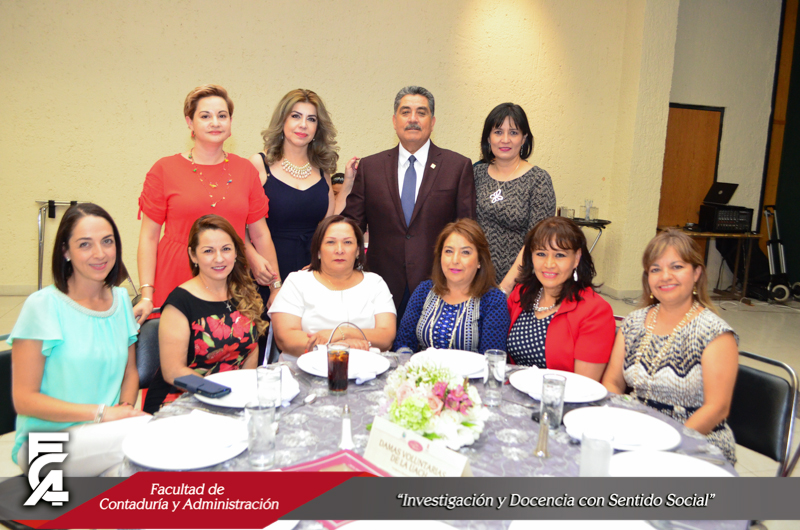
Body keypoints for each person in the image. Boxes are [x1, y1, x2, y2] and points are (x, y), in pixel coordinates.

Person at [9, 203, 148, 476]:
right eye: (85, 244)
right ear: (65, 251)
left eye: (107, 241)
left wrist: (124, 410)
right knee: (149, 435)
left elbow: (129, 372)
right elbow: (25, 400)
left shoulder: (120, 300)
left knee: (137, 480)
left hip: (105, 436)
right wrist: (104, 414)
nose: (100, 253)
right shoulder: (43, 305)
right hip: (45, 446)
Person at [136, 84, 279, 324]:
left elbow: (260, 234)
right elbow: (149, 237)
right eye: (205, 116)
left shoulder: (245, 170)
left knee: (228, 342)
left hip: (230, 277)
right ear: (189, 122)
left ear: (230, 122)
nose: (215, 122)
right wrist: (147, 294)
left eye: (222, 116)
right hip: (176, 273)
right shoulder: (164, 169)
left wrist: (275, 286)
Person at [602, 229, 739, 463]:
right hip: (638, 433)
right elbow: (613, 382)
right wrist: (620, 425)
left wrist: (664, 447)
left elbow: (717, 408)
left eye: (677, 267)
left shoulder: (715, 334)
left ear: (696, 273)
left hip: (696, 442)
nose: (665, 276)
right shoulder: (634, 322)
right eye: (655, 269)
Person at [343, 86, 476, 320]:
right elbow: (351, 226)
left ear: (432, 122)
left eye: (421, 112)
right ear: (394, 121)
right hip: (381, 287)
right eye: (405, 112)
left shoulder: (457, 166)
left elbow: (467, 231)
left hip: (438, 285)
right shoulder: (371, 167)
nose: (413, 119)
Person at [143, 215, 268, 413]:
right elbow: (173, 371)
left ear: (236, 252)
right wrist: (221, 395)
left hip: (231, 400)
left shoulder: (244, 293)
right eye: (208, 251)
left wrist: (244, 400)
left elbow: (251, 351)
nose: (219, 258)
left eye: (226, 249)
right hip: (179, 402)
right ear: (193, 255)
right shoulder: (180, 302)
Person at [249, 89, 358, 283]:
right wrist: (254, 260)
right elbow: (240, 225)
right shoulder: (259, 164)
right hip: (268, 272)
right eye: (296, 116)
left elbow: (329, 221)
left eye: (311, 119)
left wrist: (348, 182)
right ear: (282, 120)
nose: (303, 125)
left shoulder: (321, 169)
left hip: (312, 272)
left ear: (318, 127)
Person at [269, 216, 396, 356]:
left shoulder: (375, 283)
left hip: (366, 366)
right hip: (305, 366)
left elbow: (386, 337)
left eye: (347, 242)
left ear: (358, 251)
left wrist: (343, 333)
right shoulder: (297, 282)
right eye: (330, 242)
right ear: (318, 250)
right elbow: (285, 338)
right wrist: (338, 347)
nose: (339, 250)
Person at [506, 217, 614, 380]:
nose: (549, 264)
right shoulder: (521, 293)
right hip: (513, 389)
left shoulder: (596, 311)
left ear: (576, 258)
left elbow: (584, 384)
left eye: (560, 255)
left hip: (563, 395)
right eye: (541, 254)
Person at [474, 103, 556, 294]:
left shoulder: (538, 180)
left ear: (524, 138)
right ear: (488, 138)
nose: (505, 139)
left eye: (513, 132)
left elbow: (537, 241)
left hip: (519, 284)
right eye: (498, 132)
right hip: (475, 278)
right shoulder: (476, 174)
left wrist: (505, 288)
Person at [394, 219, 509, 354]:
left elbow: (492, 357)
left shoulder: (493, 299)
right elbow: (403, 343)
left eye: (465, 252)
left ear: (480, 261)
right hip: (425, 367)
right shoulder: (424, 291)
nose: (455, 260)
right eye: (448, 251)